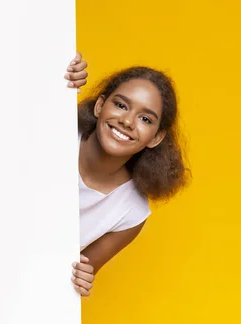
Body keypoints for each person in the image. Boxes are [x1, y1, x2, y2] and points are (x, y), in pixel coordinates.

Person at [63, 53, 189, 296]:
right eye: (120, 105)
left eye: (145, 119)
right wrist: (58, 73)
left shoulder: (132, 211)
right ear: (100, 106)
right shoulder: (58, 128)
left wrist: (82, 279)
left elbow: (74, 273)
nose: (128, 121)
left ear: (156, 137)